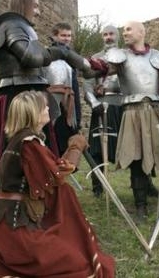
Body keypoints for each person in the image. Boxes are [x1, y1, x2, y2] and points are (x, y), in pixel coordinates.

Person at [0, 90, 115, 277]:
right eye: (44, 106)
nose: (47, 109)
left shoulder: (20, 140)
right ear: (34, 113)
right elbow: (58, 175)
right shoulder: (29, 144)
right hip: (17, 231)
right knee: (75, 263)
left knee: (69, 255)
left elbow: (52, 170)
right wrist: (76, 147)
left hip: (15, 223)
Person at [90, 21, 159, 221]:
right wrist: (75, 59)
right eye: (123, 29)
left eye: (128, 29)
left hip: (157, 111)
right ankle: (140, 207)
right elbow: (98, 69)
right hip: (133, 112)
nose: (124, 33)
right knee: (136, 158)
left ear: (141, 32)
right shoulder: (120, 56)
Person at [0, 0, 94, 157]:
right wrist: (63, 53)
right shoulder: (12, 24)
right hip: (17, 95)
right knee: (19, 149)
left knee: (35, 149)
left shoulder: (23, 27)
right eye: (35, 6)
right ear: (23, 4)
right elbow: (32, 57)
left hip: (27, 93)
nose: (38, 12)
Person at [83, 25, 123, 197]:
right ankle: (98, 186)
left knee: (133, 145)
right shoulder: (95, 59)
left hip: (124, 106)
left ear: (118, 36)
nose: (108, 37)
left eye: (111, 34)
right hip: (102, 108)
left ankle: (144, 186)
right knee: (97, 149)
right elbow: (87, 84)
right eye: (105, 34)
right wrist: (93, 103)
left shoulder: (127, 57)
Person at [44, 22, 82, 156]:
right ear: (54, 36)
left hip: (69, 105)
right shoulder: (47, 55)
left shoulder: (72, 58)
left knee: (66, 147)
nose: (66, 38)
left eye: (69, 36)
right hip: (51, 105)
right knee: (51, 144)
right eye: (63, 35)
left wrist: (78, 116)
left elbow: (75, 90)